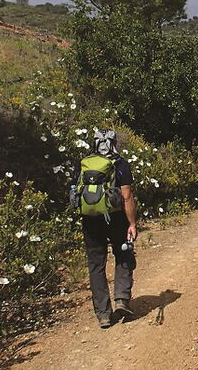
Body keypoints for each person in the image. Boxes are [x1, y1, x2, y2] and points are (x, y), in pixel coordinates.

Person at [73, 128, 137, 328]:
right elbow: (126, 196)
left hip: (90, 219)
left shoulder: (83, 164)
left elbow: (75, 191)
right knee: (123, 254)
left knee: (96, 264)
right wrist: (132, 223)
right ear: (114, 143)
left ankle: (103, 314)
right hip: (116, 218)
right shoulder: (120, 164)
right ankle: (121, 299)